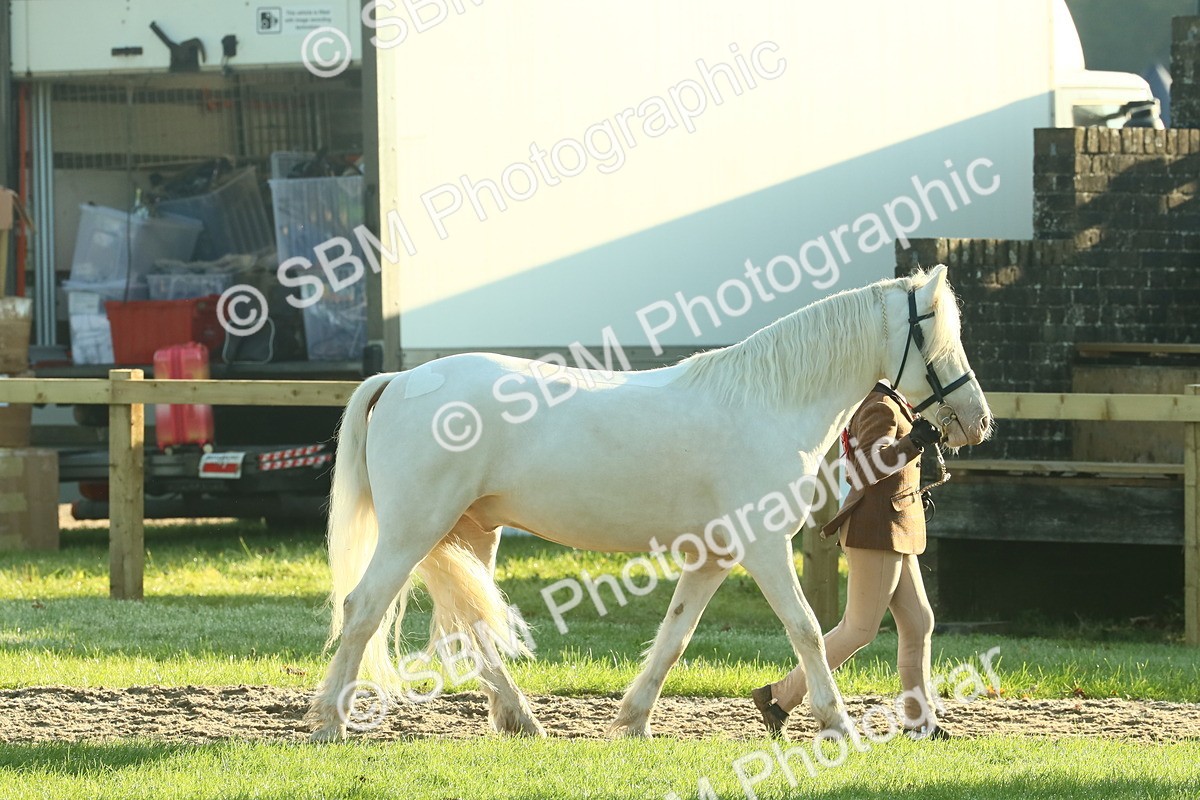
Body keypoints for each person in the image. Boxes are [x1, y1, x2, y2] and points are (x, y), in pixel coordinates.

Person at [751, 380, 949, 739]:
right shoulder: (877, 404)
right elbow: (869, 469)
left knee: (919, 621)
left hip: (895, 524)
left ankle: (920, 722)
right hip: (877, 527)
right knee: (859, 629)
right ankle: (780, 696)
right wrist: (914, 442)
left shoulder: (892, 399)